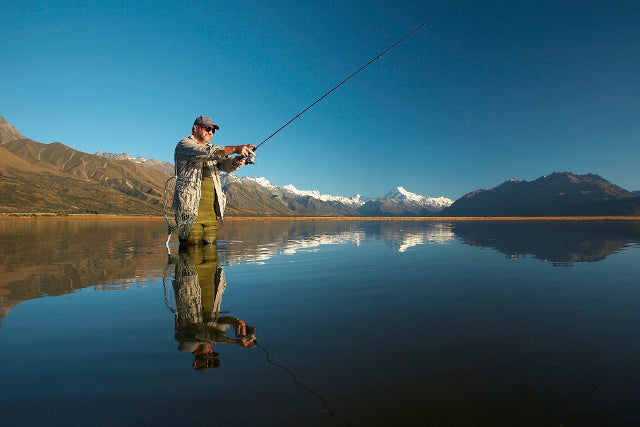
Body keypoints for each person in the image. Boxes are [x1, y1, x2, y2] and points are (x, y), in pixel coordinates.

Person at [173, 116, 255, 246]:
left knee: (211, 253)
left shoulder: (213, 151)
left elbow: (224, 164)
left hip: (211, 214)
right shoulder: (184, 145)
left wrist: (235, 161)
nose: (211, 132)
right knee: (191, 250)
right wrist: (234, 149)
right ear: (196, 128)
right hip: (189, 211)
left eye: (213, 130)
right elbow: (204, 153)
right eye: (208, 129)